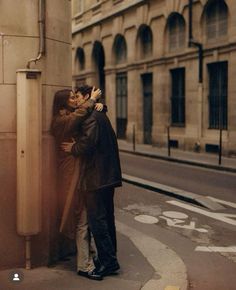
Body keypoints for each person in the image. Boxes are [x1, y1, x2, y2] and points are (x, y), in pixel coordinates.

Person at [61, 85, 122, 278]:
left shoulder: (92, 118)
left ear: (87, 96)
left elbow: (87, 144)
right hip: (107, 177)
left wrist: (73, 148)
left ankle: (108, 262)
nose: (77, 100)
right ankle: (111, 258)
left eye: (78, 96)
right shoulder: (99, 114)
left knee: (98, 223)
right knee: (107, 220)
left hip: (96, 178)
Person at [51, 87, 103, 280]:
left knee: (83, 219)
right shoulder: (60, 121)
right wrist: (92, 101)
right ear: (63, 102)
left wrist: (100, 105)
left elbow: (82, 115)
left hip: (77, 177)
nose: (75, 100)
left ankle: (89, 258)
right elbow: (79, 116)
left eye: (75, 96)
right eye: (71, 98)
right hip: (71, 178)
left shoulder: (69, 116)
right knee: (81, 220)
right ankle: (84, 264)